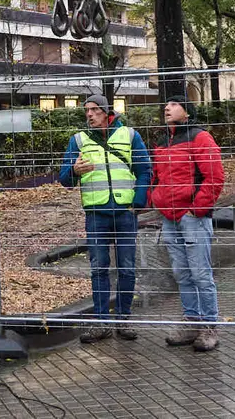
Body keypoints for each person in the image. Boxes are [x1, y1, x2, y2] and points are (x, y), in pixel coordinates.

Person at [58, 94, 152, 343]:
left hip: (124, 212)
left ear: (106, 112)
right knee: (98, 268)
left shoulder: (130, 136)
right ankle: (101, 322)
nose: (89, 115)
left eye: (94, 110)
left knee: (127, 267)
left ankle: (123, 318)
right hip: (96, 214)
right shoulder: (78, 140)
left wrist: (138, 202)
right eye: (86, 110)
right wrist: (73, 172)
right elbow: (64, 179)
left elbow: (144, 170)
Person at [150, 95, 225, 352]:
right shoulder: (162, 141)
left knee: (200, 273)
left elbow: (214, 177)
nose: (167, 108)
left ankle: (209, 325)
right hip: (169, 217)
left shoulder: (200, 137)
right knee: (181, 273)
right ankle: (192, 320)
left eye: (174, 104)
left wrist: (197, 209)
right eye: (166, 104)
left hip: (192, 217)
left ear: (187, 112)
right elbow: (156, 175)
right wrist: (156, 199)